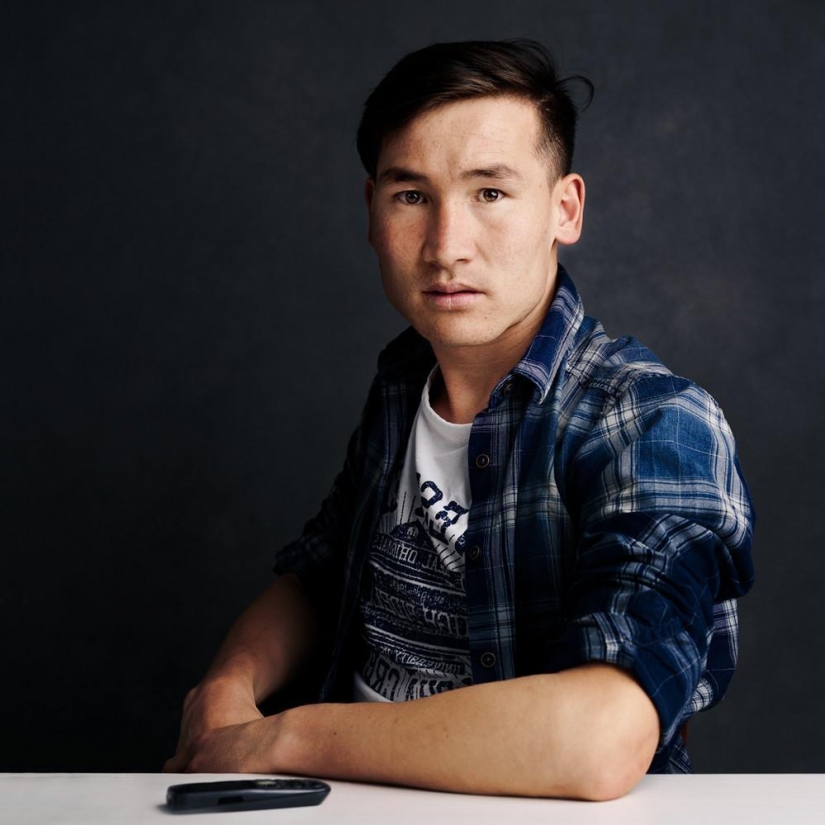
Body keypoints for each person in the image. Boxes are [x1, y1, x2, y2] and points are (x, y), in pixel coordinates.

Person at [163, 39, 755, 801]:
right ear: (371, 210)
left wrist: (281, 736)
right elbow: (319, 574)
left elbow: (598, 738)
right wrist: (224, 689)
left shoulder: (652, 422)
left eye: (490, 193)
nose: (446, 247)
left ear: (564, 208)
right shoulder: (404, 379)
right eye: (411, 196)